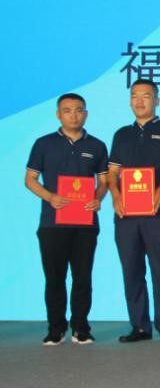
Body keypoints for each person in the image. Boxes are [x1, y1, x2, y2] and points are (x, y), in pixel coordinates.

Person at [25, 93, 108, 345]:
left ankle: (81, 328)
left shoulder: (97, 146)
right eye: (67, 110)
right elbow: (30, 180)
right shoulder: (43, 144)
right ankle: (56, 328)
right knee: (54, 279)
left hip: (85, 224)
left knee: (83, 278)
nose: (74, 115)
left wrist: (98, 198)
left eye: (79, 110)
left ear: (86, 114)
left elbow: (104, 181)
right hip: (52, 223)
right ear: (58, 114)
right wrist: (50, 197)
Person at [107, 79, 160, 343]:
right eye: (135, 96)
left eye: (146, 96)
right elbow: (113, 173)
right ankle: (139, 326)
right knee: (132, 269)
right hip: (126, 215)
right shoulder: (121, 134)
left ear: (157, 100)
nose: (140, 101)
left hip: (159, 213)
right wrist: (116, 194)